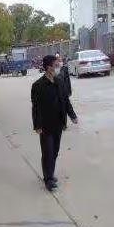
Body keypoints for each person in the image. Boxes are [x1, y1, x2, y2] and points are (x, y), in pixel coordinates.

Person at [31, 55, 78, 192]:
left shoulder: (59, 81)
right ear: (48, 67)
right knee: (47, 152)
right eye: (55, 64)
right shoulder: (38, 86)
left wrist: (72, 116)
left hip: (58, 123)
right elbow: (35, 107)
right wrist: (37, 125)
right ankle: (48, 179)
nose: (58, 66)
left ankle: (50, 173)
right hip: (45, 125)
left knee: (55, 151)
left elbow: (66, 101)